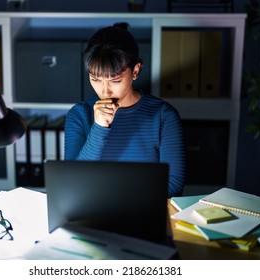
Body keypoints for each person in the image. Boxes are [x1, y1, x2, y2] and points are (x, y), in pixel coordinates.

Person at [64, 22, 186, 197]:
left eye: (115, 80)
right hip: (93, 214)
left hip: (144, 214)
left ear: (135, 70)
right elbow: (72, 182)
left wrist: (119, 201)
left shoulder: (164, 116)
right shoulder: (79, 115)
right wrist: (98, 129)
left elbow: (173, 186)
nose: (104, 91)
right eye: (96, 79)